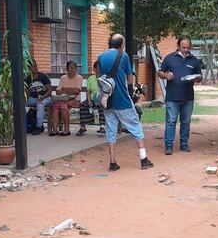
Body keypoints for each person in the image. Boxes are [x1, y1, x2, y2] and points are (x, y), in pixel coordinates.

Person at [97, 34, 154, 171]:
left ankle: (112, 163)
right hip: (122, 100)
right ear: (121, 44)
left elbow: (100, 76)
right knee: (136, 128)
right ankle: (144, 160)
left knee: (111, 131)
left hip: (107, 100)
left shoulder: (101, 57)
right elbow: (129, 79)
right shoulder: (124, 56)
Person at [157, 35, 202, 155]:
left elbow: (199, 77)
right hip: (172, 96)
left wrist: (196, 79)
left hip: (188, 97)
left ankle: (184, 144)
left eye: (188, 47)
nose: (186, 50)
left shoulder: (194, 60)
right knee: (171, 121)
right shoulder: (169, 58)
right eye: (184, 47)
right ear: (178, 46)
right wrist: (166, 76)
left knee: (186, 121)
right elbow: (160, 72)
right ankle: (169, 145)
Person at [50, 61, 83, 137]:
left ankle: (66, 130)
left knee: (62, 105)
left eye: (74, 67)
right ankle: (55, 130)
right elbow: (58, 91)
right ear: (67, 69)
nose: (72, 69)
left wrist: (64, 89)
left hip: (75, 100)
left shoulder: (79, 78)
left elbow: (76, 91)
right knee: (55, 105)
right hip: (63, 99)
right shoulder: (63, 78)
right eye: (70, 67)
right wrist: (70, 90)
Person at [25, 60, 52, 135]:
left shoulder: (43, 76)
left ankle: (38, 127)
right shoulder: (28, 78)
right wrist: (28, 92)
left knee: (40, 104)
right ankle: (23, 126)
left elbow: (49, 90)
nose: (36, 67)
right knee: (21, 103)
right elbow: (26, 93)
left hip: (46, 98)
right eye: (33, 66)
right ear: (29, 68)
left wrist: (43, 96)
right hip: (33, 99)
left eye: (36, 65)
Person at [78, 61, 103, 136]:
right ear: (94, 69)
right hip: (92, 98)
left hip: (102, 99)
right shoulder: (91, 78)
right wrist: (89, 100)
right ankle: (83, 127)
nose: (100, 69)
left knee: (103, 106)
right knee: (83, 104)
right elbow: (88, 91)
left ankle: (102, 126)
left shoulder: (105, 78)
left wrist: (102, 100)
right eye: (98, 68)